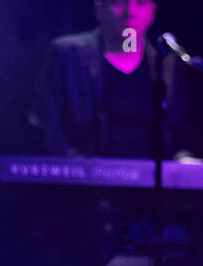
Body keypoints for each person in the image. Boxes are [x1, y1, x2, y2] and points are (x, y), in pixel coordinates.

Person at [29, 0, 188, 158]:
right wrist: (78, 167)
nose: (130, 12)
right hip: (85, 176)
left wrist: (183, 157)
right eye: (118, 2)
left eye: (140, 2)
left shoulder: (166, 62)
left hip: (153, 176)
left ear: (152, 11)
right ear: (99, 8)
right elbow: (45, 124)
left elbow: (178, 131)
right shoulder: (67, 54)